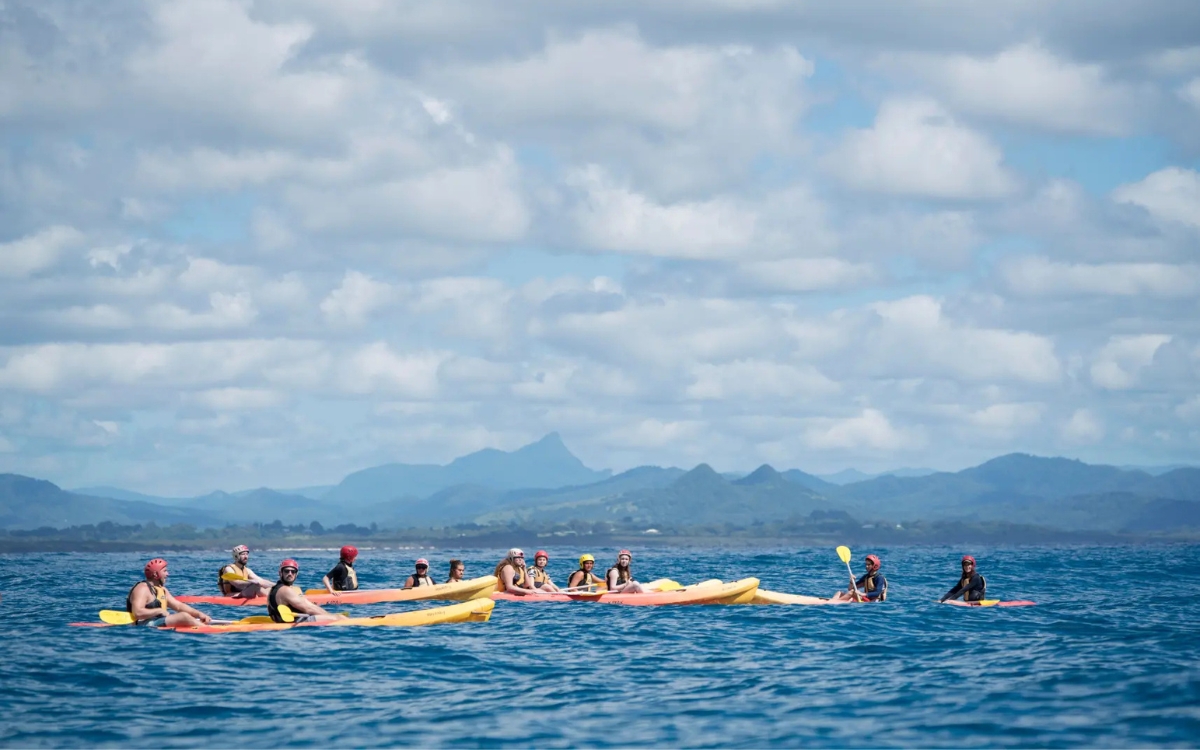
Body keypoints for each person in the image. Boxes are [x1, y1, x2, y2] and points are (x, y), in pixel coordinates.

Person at [128, 558, 212, 627]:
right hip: (143, 626)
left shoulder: (162, 590)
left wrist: (199, 614)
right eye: (164, 571)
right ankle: (207, 629)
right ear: (155, 574)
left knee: (184, 616)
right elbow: (137, 613)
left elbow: (179, 606)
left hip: (157, 622)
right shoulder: (142, 588)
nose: (167, 574)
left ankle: (201, 626)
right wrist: (159, 611)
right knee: (183, 616)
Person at [268, 559, 346, 623]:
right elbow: (308, 608)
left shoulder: (274, 588)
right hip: (296, 622)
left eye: (293, 571)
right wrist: (331, 616)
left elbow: (308, 605)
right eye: (286, 571)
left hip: (288, 621)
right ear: (280, 573)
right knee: (339, 618)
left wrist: (327, 614)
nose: (290, 573)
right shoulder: (285, 590)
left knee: (337, 616)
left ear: (296, 574)